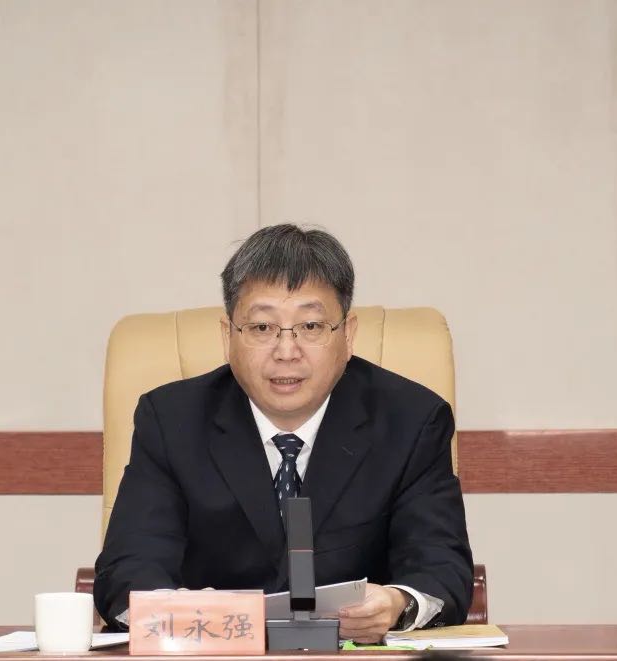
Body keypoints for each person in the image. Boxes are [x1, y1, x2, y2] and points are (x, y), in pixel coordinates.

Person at [94, 224, 473, 642]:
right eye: (262, 328)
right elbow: (128, 572)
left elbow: (441, 569)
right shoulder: (172, 421)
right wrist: (178, 611)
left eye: (310, 326)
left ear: (348, 335)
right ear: (227, 336)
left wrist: (398, 603)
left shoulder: (411, 421)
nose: (287, 351)